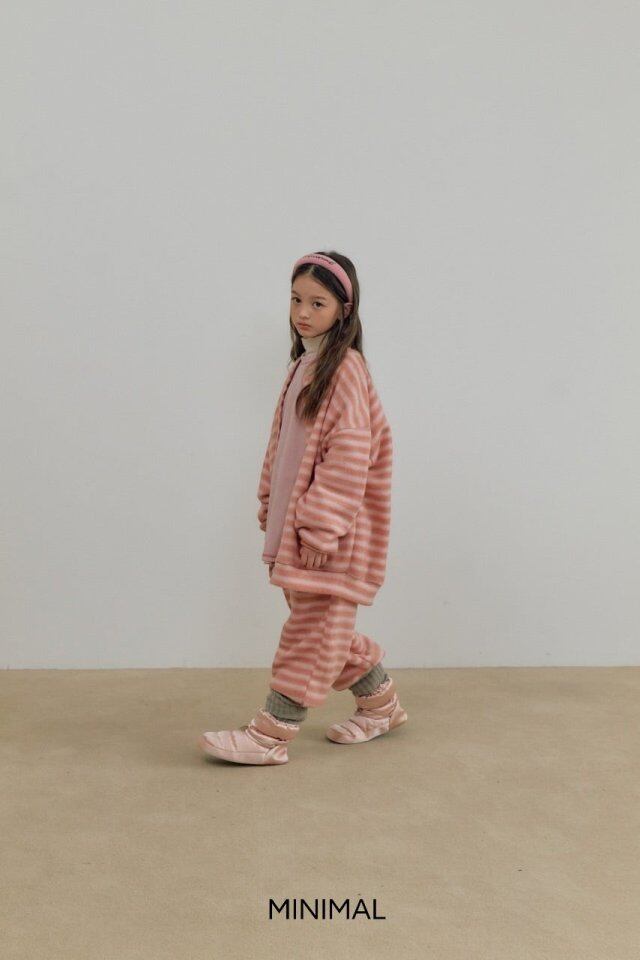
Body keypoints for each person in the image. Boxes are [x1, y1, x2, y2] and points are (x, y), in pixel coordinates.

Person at [199, 251, 407, 765]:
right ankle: (381, 706)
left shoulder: (346, 370)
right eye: (296, 300)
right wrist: (270, 503)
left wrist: (320, 528)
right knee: (325, 630)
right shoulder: (304, 367)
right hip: (297, 532)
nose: (303, 313)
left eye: (318, 303)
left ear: (344, 310)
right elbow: (283, 445)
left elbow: (349, 454)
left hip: (331, 538)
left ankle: (270, 736)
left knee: (310, 635)